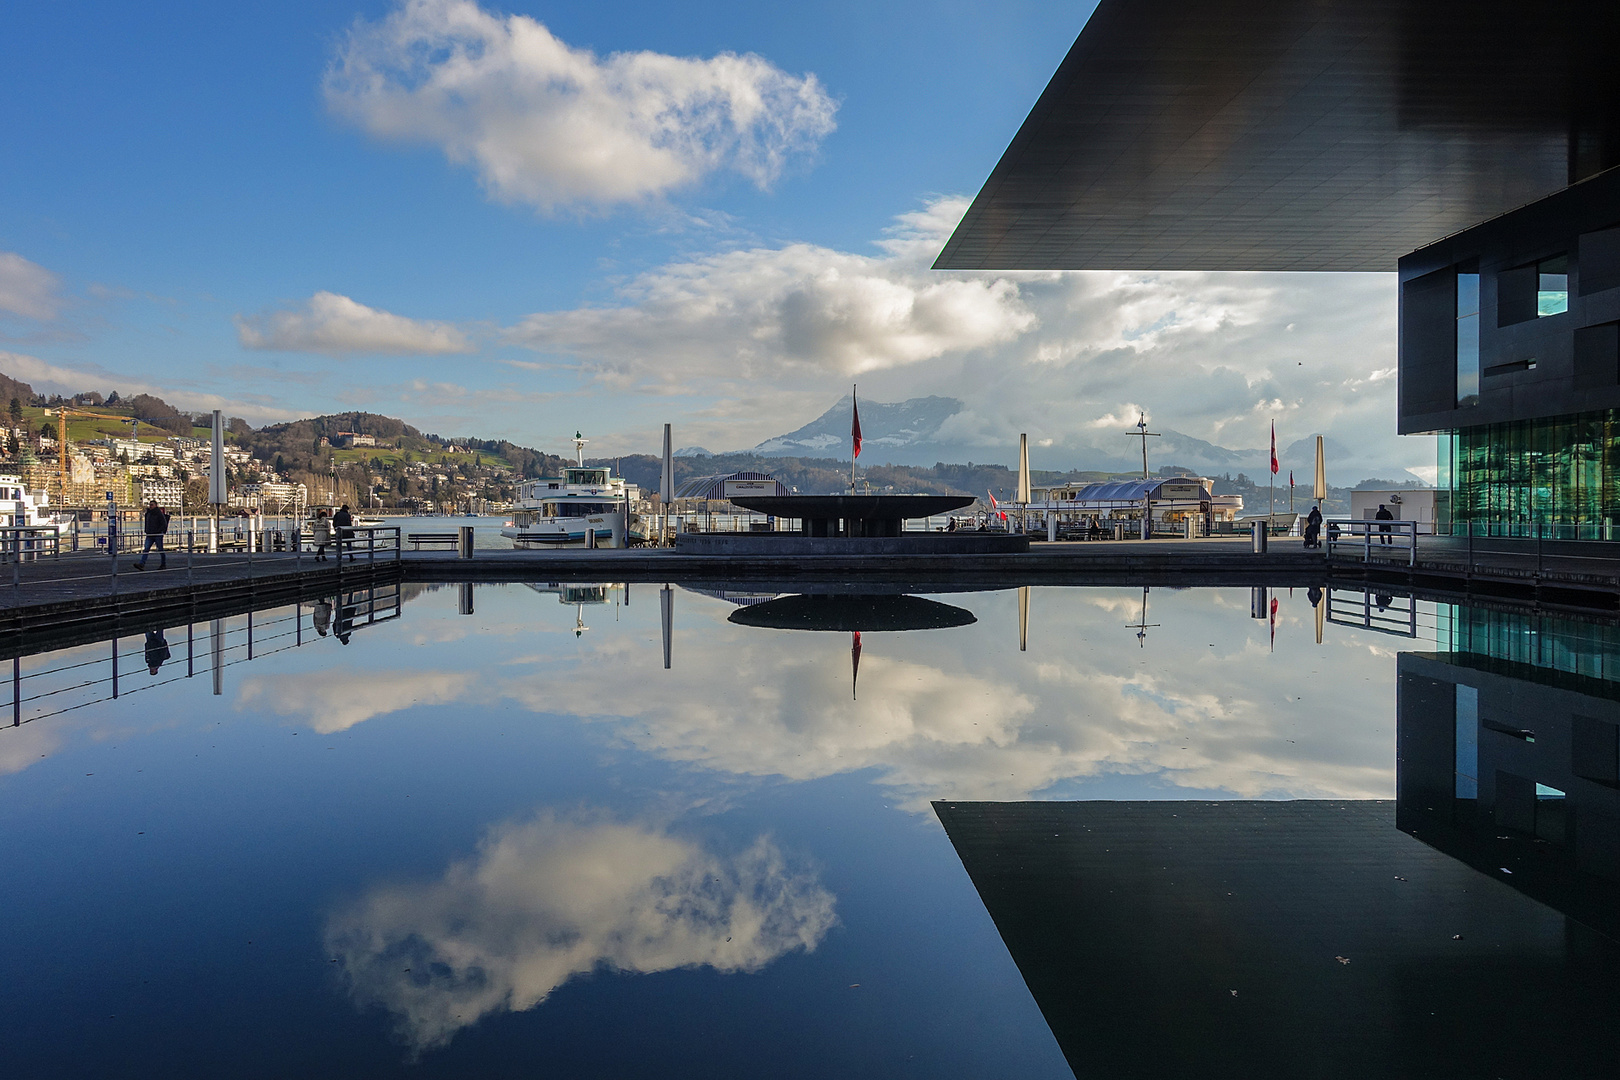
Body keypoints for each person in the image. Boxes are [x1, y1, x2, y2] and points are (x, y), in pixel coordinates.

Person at [132, 499, 171, 570]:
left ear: (156, 505)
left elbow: (164, 524)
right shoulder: (148, 514)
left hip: (157, 534)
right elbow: (147, 523)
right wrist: (147, 530)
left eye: (152, 505)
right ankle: (141, 564)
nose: (150, 506)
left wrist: (159, 531)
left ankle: (163, 564)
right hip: (149, 534)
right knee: (146, 549)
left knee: (160, 549)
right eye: (150, 505)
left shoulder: (159, 514)